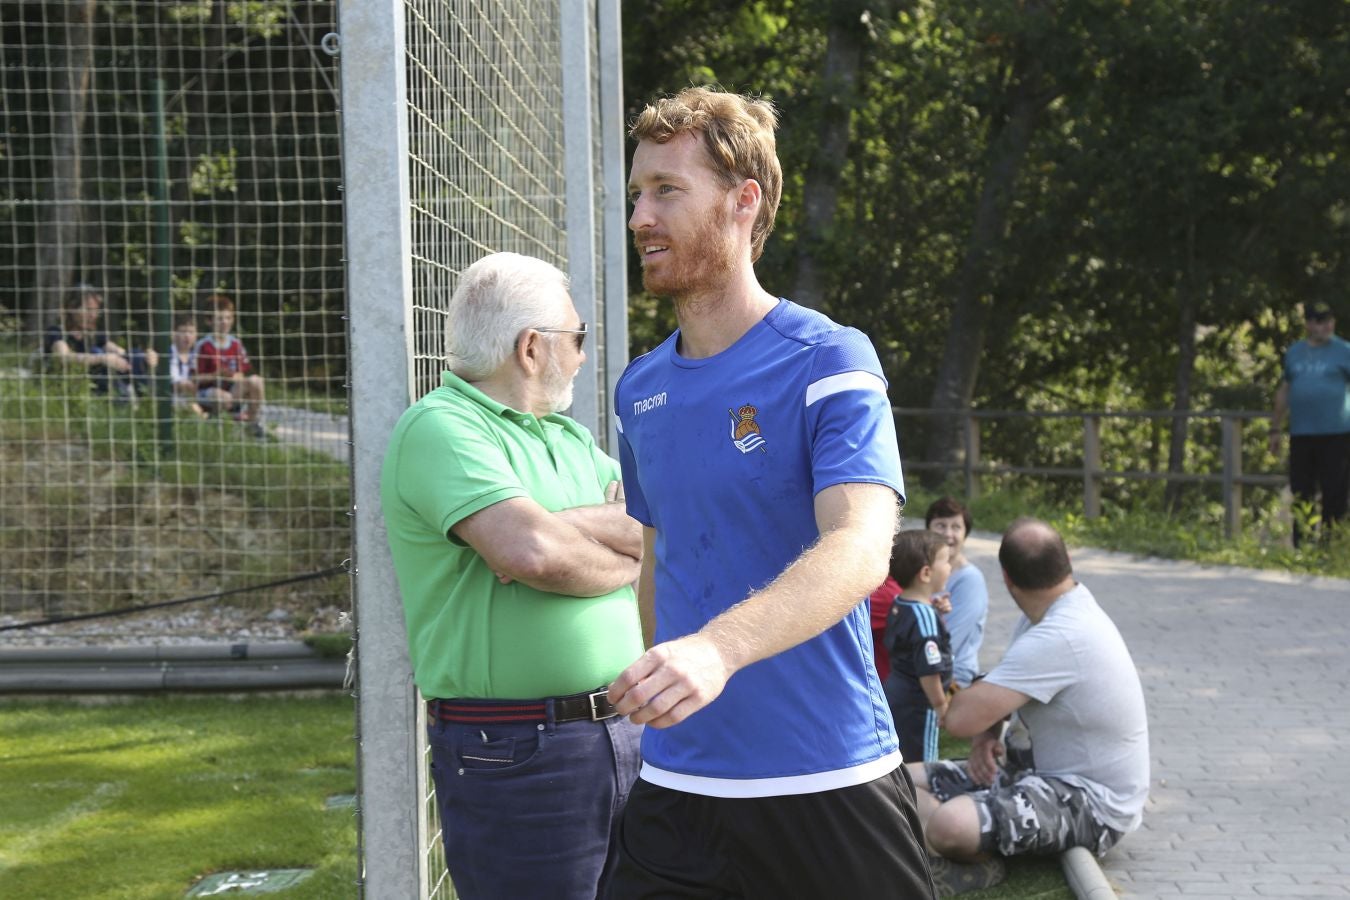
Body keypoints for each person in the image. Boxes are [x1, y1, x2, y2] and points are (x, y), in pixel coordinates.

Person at [607, 86, 935, 899]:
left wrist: (715, 650)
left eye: (667, 192)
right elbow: (660, 556)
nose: (640, 217)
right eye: (637, 194)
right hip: (679, 788)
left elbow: (861, 548)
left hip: (827, 781)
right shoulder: (638, 389)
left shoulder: (830, 359)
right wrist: (666, 672)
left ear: (743, 202)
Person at [380, 252, 646, 900]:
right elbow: (532, 555)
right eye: (577, 338)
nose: (582, 356)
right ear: (532, 347)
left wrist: (549, 522)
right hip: (516, 749)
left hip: (624, 732)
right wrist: (617, 557)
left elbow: (649, 527)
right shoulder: (440, 427)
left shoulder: (568, 437)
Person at [907, 518, 1149, 865]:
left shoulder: (1061, 633)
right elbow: (998, 685)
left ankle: (955, 851)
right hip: (1024, 775)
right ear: (1065, 563)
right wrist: (987, 731)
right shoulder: (1054, 611)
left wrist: (978, 721)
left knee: (951, 823)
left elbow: (959, 718)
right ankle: (936, 839)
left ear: (1007, 578)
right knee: (897, 783)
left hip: (1090, 802)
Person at [1268, 301, 1350, 546]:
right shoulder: (1294, 353)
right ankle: (1302, 545)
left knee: (1335, 492)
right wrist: (1274, 428)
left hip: (1337, 433)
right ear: (1309, 324)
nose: (1327, 325)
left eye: (1329, 320)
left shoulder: (1344, 351)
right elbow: (1285, 390)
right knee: (1302, 491)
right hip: (1302, 433)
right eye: (1320, 321)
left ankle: (1330, 546)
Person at [882, 529, 955, 764]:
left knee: (901, 758)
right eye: (946, 561)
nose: (950, 567)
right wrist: (941, 705)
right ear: (925, 573)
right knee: (923, 763)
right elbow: (928, 670)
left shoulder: (899, 603)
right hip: (920, 706)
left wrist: (932, 609)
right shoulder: (924, 616)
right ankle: (919, 800)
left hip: (897, 693)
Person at [43, 286, 158, 398]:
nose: (93, 315)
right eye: (88, 309)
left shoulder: (94, 336)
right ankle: (122, 401)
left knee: (136, 355)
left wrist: (145, 357)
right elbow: (64, 357)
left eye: (96, 310)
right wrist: (102, 358)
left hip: (99, 382)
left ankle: (148, 402)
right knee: (97, 353)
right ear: (72, 308)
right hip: (72, 387)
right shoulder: (56, 332)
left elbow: (121, 352)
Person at [925, 496, 989, 687]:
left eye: (956, 527)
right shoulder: (922, 572)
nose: (948, 534)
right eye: (941, 525)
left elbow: (950, 641)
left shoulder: (969, 580)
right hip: (924, 672)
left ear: (965, 534)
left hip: (952, 679)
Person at [193, 293, 266, 437]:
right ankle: (218, 424)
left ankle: (252, 423)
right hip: (208, 393)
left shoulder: (236, 344)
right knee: (222, 397)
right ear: (209, 321)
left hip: (232, 391)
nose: (224, 322)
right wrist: (215, 376)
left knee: (256, 381)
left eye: (228, 318)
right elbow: (194, 378)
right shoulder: (203, 346)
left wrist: (232, 376)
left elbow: (241, 373)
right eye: (220, 318)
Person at [169, 314, 207, 418]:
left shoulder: (196, 354)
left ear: (196, 335)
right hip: (172, 397)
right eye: (183, 332)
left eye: (191, 332)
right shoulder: (170, 353)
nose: (187, 336)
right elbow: (175, 384)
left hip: (194, 395)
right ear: (174, 334)